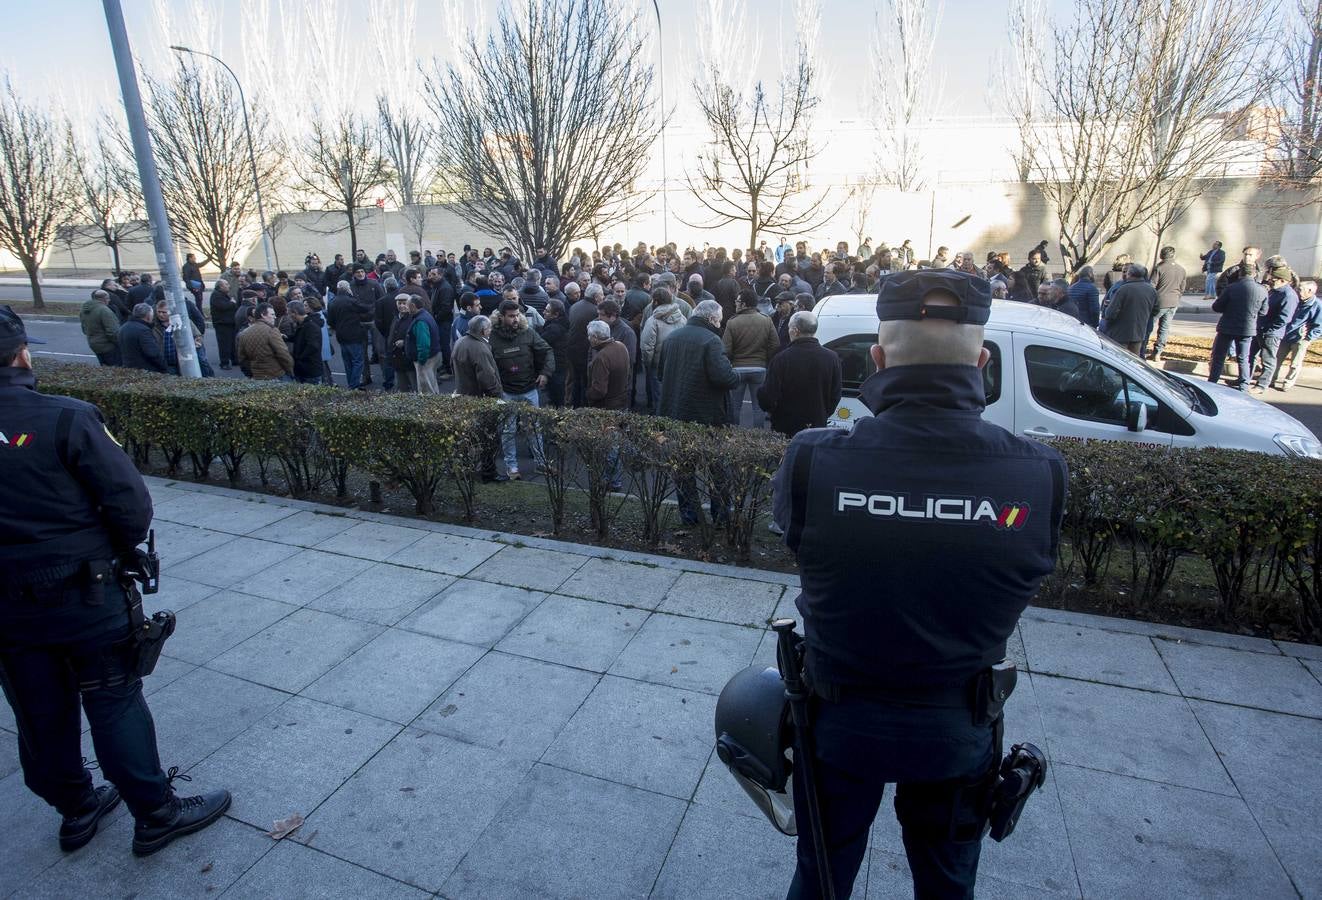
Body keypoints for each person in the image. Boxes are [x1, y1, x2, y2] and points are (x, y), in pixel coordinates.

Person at [769, 270, 1066, 899]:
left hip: (838, 726)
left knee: (819, 879)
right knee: (947, 884)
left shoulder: (813, 459)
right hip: (958, 733)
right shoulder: (1039, 475)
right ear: (982, 362)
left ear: (877, 359)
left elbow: (800, 544)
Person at [0, 307, 232, 857]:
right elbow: (130, 506)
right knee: (113, 700)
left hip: (9, 609)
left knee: (38, 711)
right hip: (85, 593)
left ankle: (76, 806)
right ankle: (154, 813)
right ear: (21, 354)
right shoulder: (66, 417)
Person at [657, 299, 741, 524]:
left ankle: (690, 515)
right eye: (720, 320)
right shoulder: (711, 340)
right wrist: (737, 375)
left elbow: (659, 373)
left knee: (684, 468)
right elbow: (726, 378)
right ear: (712, 319)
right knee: (717, 468)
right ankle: (721, 516)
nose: (720, 324)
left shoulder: (672, 337)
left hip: (675, 413)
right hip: (707, 417)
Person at [489, 299, 553, 480]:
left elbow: (547, 350)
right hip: (506, 392)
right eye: (511, 316)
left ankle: (541, 463)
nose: (515, 319)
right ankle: (512, 468)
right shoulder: (492, 337)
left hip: (529, 389)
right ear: (501, 317)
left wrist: (545, 373)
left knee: (535, 428)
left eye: (517, 315)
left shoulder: (528, 332)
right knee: (508, 431)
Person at [756, 310, 842, 438]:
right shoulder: (832, 358)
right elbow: (835, 395)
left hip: (785, 427)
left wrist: (768, 405)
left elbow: (768, 396)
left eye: (789, 328)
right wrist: (823, 413)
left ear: (795, 331)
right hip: (817, 426)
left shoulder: (781, 359)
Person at [722, 288, 780, 428]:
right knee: (758, 407)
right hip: (759, 368)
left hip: (737, 369)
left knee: (735, 406)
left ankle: (734, 434)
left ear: (744, 304)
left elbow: (726, 349)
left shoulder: (732, 322)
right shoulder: (766, 320)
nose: (735, 304)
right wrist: (765, 360)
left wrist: (731, 361)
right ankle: (757, 436)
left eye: (737, 301)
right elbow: (775, 344)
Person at [1208, 266, 1269, 391]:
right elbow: (1263, 311)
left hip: (1227, 327)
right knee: (1244, 358)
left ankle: (1212, 381)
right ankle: (1244, 384)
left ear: (1240, 274)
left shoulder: (1231, 288)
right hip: (1247, 328)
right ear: (1254, 275)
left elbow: (1217, 307)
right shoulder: (1262, 290)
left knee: (1219, 357)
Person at [1251, 265, 1300, 394]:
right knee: (1250, 356)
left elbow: (1284, 318)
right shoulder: (1274, 291)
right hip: (1259, 329)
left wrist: (1269, 329)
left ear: (1282, 280)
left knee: (1268, 359)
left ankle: (1262, 385)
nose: (1270, 280)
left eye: (1274, 279)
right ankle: (1244, 379)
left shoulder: (1288, 295)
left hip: (1271, 333)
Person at [641, 287, 687, 415]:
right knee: (675, 395)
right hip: (678, 363)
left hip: (658, 365)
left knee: (659, 397)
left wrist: (648, 363)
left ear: (655, 302)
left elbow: (646, 347)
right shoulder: (682, 318)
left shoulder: (653, 321)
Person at [1273, 280, 1319, 391]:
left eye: (1300, 290)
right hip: (1286, 335)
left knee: (1295, 363)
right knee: (1277, 359)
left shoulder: (1317, 305)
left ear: (1310, 291)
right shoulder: (1295, 300)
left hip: (1300, 339)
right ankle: (1271, 379)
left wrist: (1308, 337)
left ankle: (1288, 383)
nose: (1298, 292)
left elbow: (1318, 325)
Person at [1102, 263, 1157, 354]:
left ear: (1129, 274)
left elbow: (1110, 314)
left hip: (1119, 334)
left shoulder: (1123, 289)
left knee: (1119, 359)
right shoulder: (1151, 290)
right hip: (1138, 333)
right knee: (1133, 362)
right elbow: (1155, 310)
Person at [236, 302, 294, 380]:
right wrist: (290, 371)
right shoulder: (272, 330)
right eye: (272, 314)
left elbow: (242, 359)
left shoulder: (243, 333)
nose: (275, 317)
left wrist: (250, 374)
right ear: (263, 315)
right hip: (276, 376)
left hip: (256, 376)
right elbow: (283, 354)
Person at [1147, 247, 1186, 361]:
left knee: (1149, 325)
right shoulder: (1181, 269)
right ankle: (1158, 352)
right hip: (1174, 302)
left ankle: (1143, 347)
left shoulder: (1159, 268)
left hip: (1160, 301)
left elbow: (1152, 286)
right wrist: (1177, 297)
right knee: (1164, 328)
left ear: (1162, 255)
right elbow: (1182, 288)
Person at [327, 279, 368, 388]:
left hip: (341, 336)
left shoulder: (332, 302)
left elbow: (330, 321)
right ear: (348, 288)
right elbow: (365, 309)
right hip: (354, 334)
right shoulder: (351, 300)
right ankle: (354, 385)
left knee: (347, 362)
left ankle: (351, 383)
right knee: (358, 361)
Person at [585, 319, 631, 410]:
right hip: (622, 401)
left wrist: (587, 394)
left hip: (606, 406)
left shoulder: (601, 357)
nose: (588, 339)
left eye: (589, 336)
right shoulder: (621, 346)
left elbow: (599, 390)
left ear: (595, 337)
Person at [405, 294, 443, 394]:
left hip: (426, 359)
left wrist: (421, 361)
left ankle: (431, 408)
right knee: (432, 384)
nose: (406, 307)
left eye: (407, 305)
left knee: (426, 389)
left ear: (413, 306)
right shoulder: (425, 315)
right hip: (433, 355)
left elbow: (424, 344)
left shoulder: (420, 321)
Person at [118, 304, 166, 373]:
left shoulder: (124, 327)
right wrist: (164, 368)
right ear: (148, 316)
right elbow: (153, 353)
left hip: (129, 368)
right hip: (145, 369)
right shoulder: (144, 331)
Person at [540, 299, 570, 407]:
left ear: (556, 314)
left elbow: (540, 342)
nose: (544, 312)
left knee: (556, 393)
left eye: (547, 311)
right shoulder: (558, 324)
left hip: (556, 365)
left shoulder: (554, 329)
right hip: (560, 363)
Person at [81, 290, 122, 367]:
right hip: (108, 346)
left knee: (103, 368)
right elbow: (113, 332)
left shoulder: (84, 309)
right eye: (108, 298)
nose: (109, 301)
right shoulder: (104, 310)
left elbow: (84, 328)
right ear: (104, 299)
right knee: (115, 369)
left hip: (94, 344)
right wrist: (119, 343)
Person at [286, 300, 323, 384]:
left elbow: (313, 346)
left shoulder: (310, 325)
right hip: (305, 369)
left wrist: (299, 357)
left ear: (295, 312)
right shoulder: (303, 324)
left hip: (310, 370)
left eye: (289, 313)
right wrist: (286, 337)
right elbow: (299, 338)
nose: (288, 316)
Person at [208, 279, 238, 370]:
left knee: (232, 342)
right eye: (226, 284)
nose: (229, 286)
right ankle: (224, 362)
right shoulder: (216, 295)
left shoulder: (222, 294)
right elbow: (223, 306)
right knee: (224, 344)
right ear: (220, 286)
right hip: (222, 324)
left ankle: (234, 359)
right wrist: (232, 302)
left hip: (229, 322)